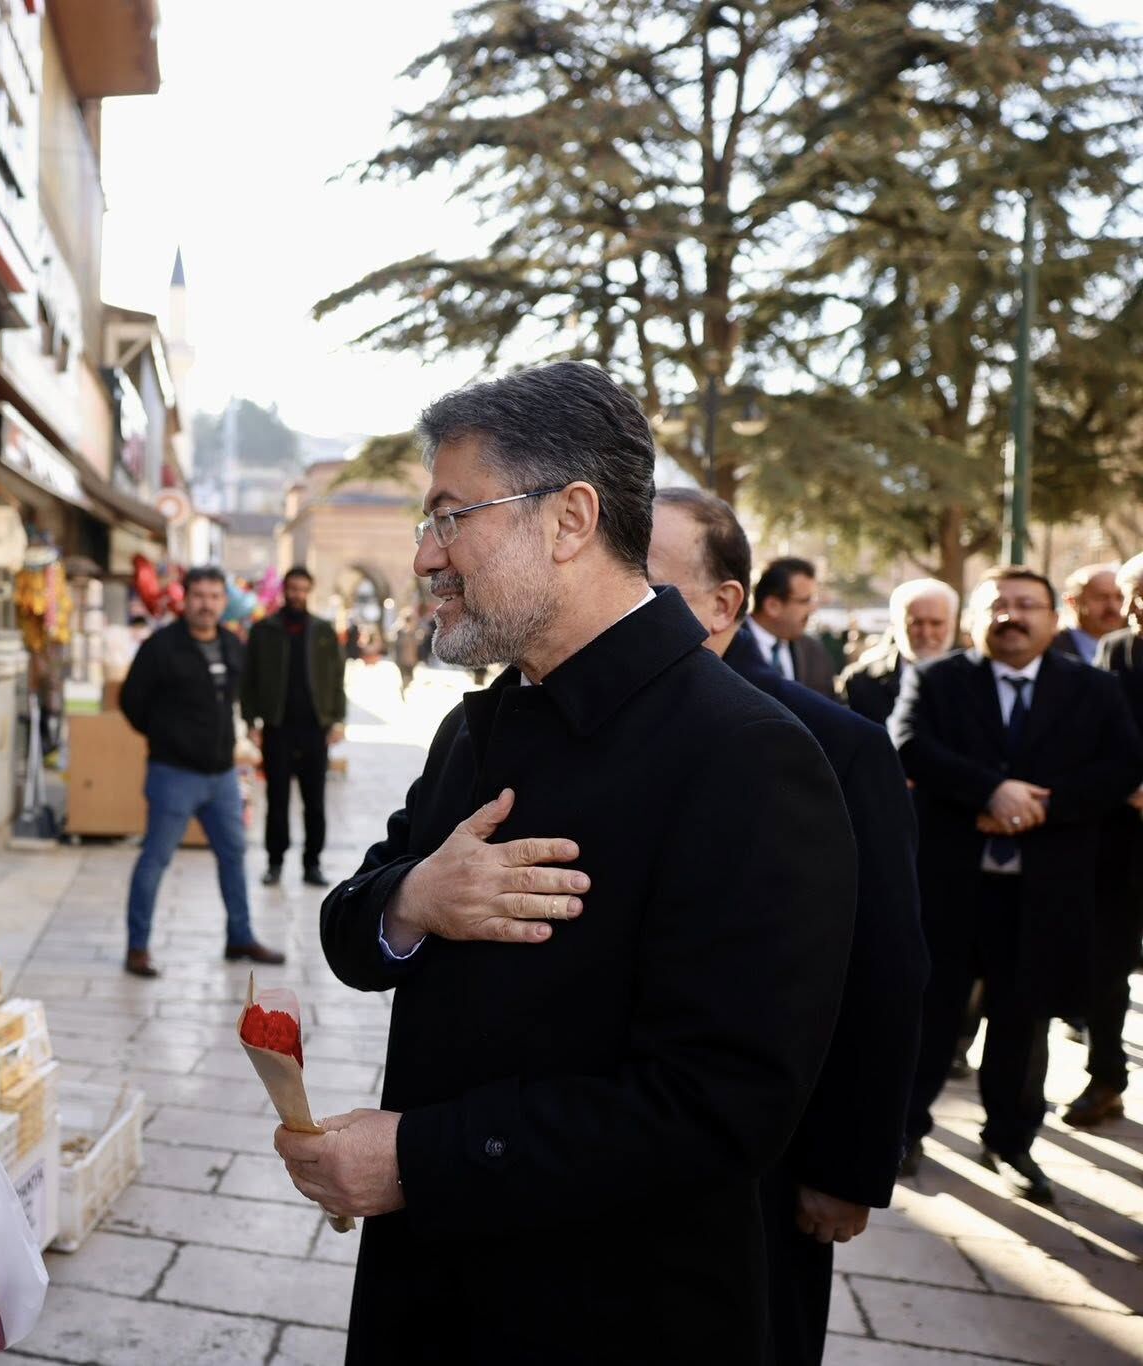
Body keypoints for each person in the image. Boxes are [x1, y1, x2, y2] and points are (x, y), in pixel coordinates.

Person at [283, 363, 854, 1362]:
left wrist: (418, 1157)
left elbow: (717, 1109)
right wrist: (416, 897)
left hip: (609, 1315)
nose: (424, 556)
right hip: (433, 1296)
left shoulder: (745, 756)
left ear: (568, 517)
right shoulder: (483, 726)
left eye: (449, 517)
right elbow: (349, 930)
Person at [649, 488, 927, 1366]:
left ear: (726, 604)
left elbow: (883, 967)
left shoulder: (834, 744)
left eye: (647, 588)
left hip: (768, 1168)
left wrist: (845, 1170)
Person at [891, 567, 1143, 1203]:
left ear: (1053, 618)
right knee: (929, 1011)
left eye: (1028, 605)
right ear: (977, 619)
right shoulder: (939, 678)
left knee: (1022, 1020)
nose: (1012, 616)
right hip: (950, 884)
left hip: (1044, 890)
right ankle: (902, 1130)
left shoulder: (1093, 690)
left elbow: (1122, 767)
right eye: (998, 604)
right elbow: (907, 741)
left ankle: (1010, 1140)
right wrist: (988, 791)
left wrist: (1042, 807)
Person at [118, 566, 284, 978]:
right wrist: (166, 738)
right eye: (199, 596)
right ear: (184, 599)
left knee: (233, 856)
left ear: (223, 602)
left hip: (222, 776)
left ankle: (239, 936)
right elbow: (131, 701)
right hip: (173, 774)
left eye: (214, 596)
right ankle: (137, 948)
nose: (206, 604)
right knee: (155, 859)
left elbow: (234, 699)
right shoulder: (161, 647)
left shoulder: (231, 644)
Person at [1067, 552, 1143, 1126]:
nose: (1134, 607)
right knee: (1105, 965)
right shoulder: (1115, 648)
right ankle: (1105, 1078)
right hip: (1118, 835)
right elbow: (1098, 733)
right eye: (1129, 594)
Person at [241, 566, 347, 888]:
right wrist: (250, 720)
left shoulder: (323, 630)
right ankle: (275, 862)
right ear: (284, 590)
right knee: (277, 798)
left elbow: (337, 678)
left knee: (315, 800)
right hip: (277, 727)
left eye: (303, 589)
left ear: (309, 591)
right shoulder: (264, 630)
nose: (297, 595)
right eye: (293, 589)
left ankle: (312, 864)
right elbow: (249, 678)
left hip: (315, 728)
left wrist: (338, 718)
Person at [839, 578, 960, 726]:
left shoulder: (975, 680)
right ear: (895, 624)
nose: (926, 633)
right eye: (916, 623)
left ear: (952, 623)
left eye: (936, 623)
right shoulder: (860, 681)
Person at [739, 557, 837, 695]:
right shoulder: (726, 646)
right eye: (805, 601)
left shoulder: (815, 652)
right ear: (772, 605)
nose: (813, 609)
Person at [1051, 562, 1123, 661]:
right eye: (1101, 597)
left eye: (1120, 597)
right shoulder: (1049, 648)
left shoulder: (1131, 650)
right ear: (1072, 602)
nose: (1112, 607)